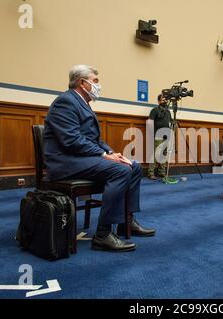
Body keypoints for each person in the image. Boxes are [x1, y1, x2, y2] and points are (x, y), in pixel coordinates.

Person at [43, 65, 155, 253]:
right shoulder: (66, 101)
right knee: (121, 170)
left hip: (81, 158)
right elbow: (72, 140)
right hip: (65, 162)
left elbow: (94, 139)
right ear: (82, 82)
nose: (98, 85)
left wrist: (113, 153)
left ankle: (126, 220)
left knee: (133, 166)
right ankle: (103, 234)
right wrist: (104, 155)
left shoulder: (82, 103)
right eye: (95, 81)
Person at [147, 94, 172, 180]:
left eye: (165, 100)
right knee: (155, 154)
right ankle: (151, 173)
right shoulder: (154, 110)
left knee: (163, 154)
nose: (164, 101)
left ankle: (161, 172)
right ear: (158, 101)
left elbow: (170, 122)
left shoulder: (168, 112)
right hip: (157, 135)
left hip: (166, 135)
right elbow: (150, 122)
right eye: (162, 100)